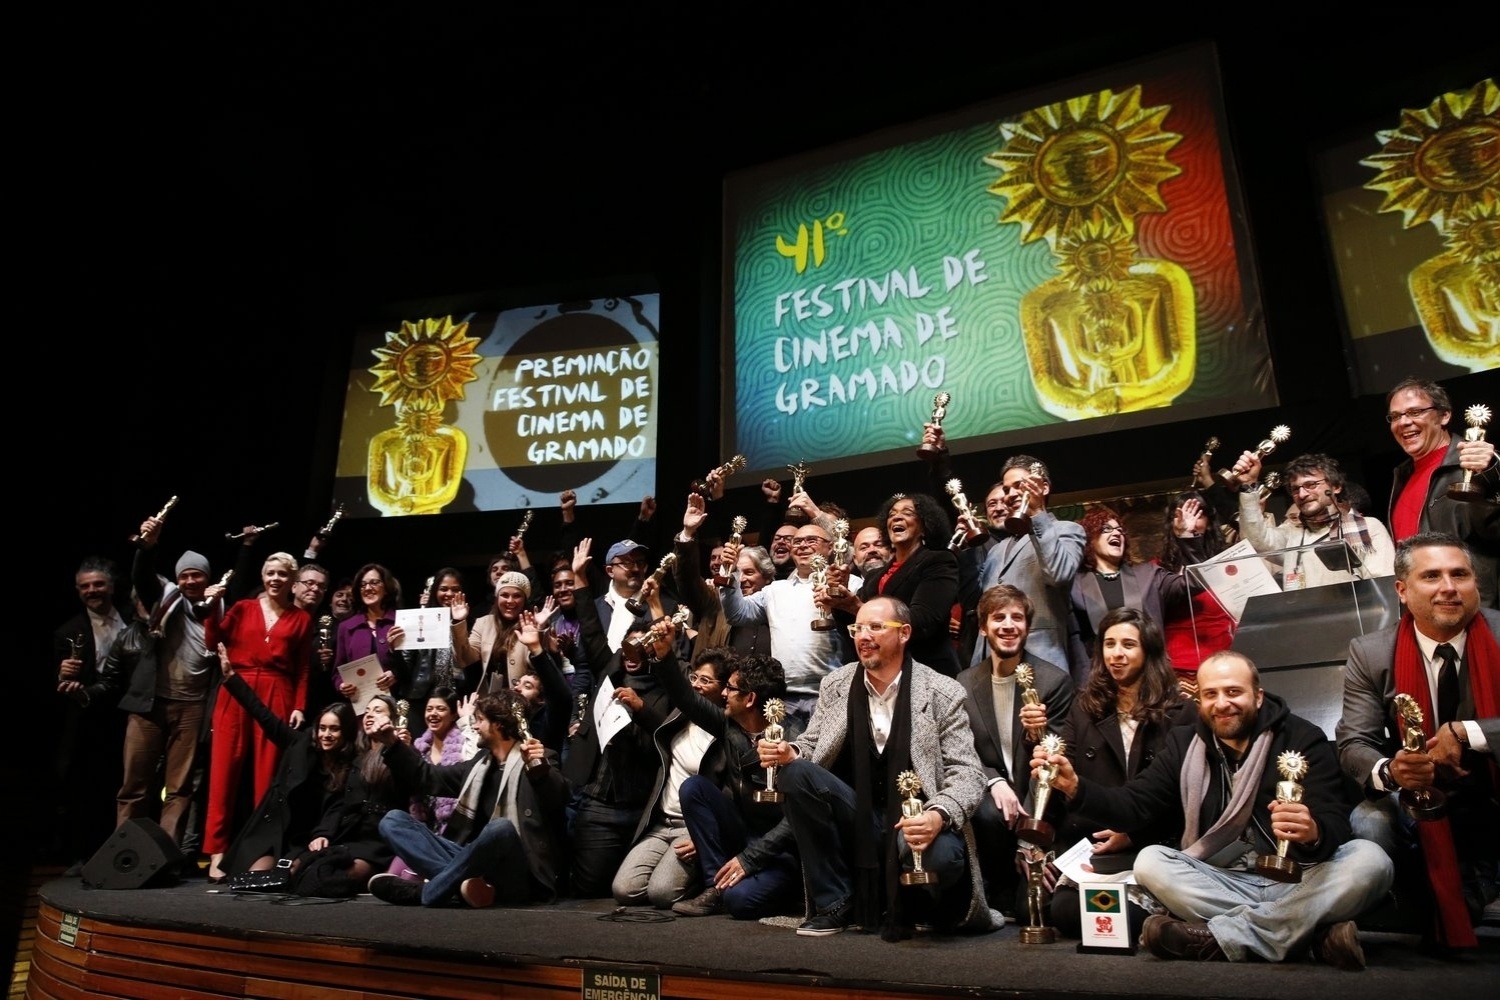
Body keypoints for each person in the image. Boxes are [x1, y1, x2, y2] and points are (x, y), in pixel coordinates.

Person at [1032, 650, 1392, 968]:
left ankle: (1221, 938)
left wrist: (1314, 832)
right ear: (1199, 701)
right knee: (1151, 861)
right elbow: (1134, 805)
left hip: (1297, 879)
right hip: (1220, 879)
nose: (1222, 703)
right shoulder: (1184, 743)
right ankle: (1309, 936)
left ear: (1258, 695)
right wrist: (1074, 787)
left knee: (1370, 860)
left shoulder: (1301, 737)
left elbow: (1334, 819)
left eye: (1234, 692)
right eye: (1211, 695)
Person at [759, 596, 999, 939]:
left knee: (941, 857)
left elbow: (969, 774)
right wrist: (790, 750)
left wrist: (937, 815)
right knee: (797, 773)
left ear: (903, 633)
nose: (862, 636)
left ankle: (924, 906)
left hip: (915, 822)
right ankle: (836, 903)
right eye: (858, 628)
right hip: (859, 818)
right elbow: (813, 743)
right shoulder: (836, 684)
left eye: (875, 627)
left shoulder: (943, 691)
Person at [1335, 531, 1498, 949]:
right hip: (1420, 798)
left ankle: (1452, 897)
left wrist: (1466, 733)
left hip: (1494, 791)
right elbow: (1354, 741)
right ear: (1403, 591)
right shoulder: (1371, 652)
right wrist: (1391, 770)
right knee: (1370, 821)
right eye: (1432, 576)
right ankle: (1439, 897)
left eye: (1459, 574)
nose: (1448, 587)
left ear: (1474, 582)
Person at [1047, 607, 1194, 936]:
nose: (1116, 654)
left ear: (1148, 650)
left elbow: (1182, 799)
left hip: (1155, 844)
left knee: (1124, 916)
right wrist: (1049, 770)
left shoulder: (1181, 713)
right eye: (1109, 644)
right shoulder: (1083, 707)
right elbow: (1068, 787)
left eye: (1128, 644)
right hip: (1097, 844)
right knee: (1064, 911)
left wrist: (1133, 834)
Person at [68, 538, 218, 848]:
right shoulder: (163, 606)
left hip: (191, 707)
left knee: (178, 788)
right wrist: (146, 549)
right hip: (149, 705)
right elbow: (143, 578)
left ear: (207, 578)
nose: (190, 581)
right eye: (184, 575)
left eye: (197, 575)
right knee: (135, 786)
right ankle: (123, 854)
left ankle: (165, 856)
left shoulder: (217, 609)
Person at [368, 688, 569, 907]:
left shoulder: (539, 760)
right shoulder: (479, 765)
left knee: (500, 829)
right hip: (474, 863)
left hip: (521, 872)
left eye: (479, 720)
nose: (473, 726)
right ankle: (465, 889)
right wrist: (392, 743)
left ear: (498, 724)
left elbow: (559, 799)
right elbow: (426, 777)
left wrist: (540, 771)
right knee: (393, 821)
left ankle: (426, 892)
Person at [215, 645, 394, 888]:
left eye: (334, 729)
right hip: (283, 827)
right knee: (254, 879)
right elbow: (264, 717)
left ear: (345, 733)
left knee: (291, 878)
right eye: (323, 728)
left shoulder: (352, 763)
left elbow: (339, 808)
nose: (326, 735)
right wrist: (232, 679)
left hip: (316, 835)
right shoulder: (302, 744)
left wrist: (323, 834)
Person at [955, 584, 1074, 913]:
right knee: (986, 810)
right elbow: (961, 750)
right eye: (998, 617)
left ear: (1027, 626)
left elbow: (1056, 762)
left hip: (1040, 803)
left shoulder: (1053, 682)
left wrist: (1029, 836)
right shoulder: (964, 683)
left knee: (1030, 911)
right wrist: (993, 781)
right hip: (994, 808)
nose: (1008, 625)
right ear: (983, 628)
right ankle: (994, 886)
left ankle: (1019, 882)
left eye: (1017, 617)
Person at [564, 539, 673, 897]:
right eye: (625, 647)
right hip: (603, 804)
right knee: (586, 890)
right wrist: (580, 579)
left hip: (646, 806)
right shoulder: (610, 672)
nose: (630, 653)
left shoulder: (667, 684)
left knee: (630, 889)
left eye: (639, 648)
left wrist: (641, 708)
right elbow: (593, 634)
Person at [202, 551, 313, 881]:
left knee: (267, 780)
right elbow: (213, 641)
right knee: (223, 773)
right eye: (270, 573)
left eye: (282, 573)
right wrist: (210, 610)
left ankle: (258, 851)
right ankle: (216, 850)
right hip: (235, 690)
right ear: (263, 577)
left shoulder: (301, 619)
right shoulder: (242, 608)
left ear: (292, 581)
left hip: (277, 693)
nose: (275, 578)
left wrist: (299, 705)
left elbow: (304, 667)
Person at [666, 651, 802, 919]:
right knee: (694, 787)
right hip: (743, 834)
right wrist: (663, 656)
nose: (723, 694)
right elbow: (686, 698)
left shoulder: (796, 740)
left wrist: (750, 859)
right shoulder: (730, 725)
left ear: (750, 699)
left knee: (739, 902)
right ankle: (714, 888)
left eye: (730, 688)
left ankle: (784, 893)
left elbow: (796, 821)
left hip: (783, 850)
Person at [611, 648, 730, 908]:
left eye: (706, 680)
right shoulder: (682, 714)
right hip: (661, 822)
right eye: (694, 678)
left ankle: (700, 878)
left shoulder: (725, 730)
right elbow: (662, 731)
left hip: (691, 828)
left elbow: (729, 797)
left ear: (724, 689)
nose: (697, 686)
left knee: (662, 894)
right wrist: (641, 708)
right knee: (624, 889)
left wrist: (706, 838)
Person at [720, 521, 862, 731]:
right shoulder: (775, 590)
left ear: (831, 547)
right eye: (797, 541)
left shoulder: (851, 583)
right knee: (786, 760)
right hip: (783, 697)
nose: (803, 545)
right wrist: (729, 573)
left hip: (833, 693)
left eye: (811, 540)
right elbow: (737, 614)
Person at [954, 453, 1087, 673]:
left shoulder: (1068, 530)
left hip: (1040, 663)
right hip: (988, 664)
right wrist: (969, 548)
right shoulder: (997, 549)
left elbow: (1058, 575)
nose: (1011, 494)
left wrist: (1037, 513)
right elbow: (973, 602)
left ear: (1043, 488)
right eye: (1006, 489)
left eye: (1019, 485)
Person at [1384, 377, 1499, 607]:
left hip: (1474, 612)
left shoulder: (1473, 464)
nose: (1404, 422)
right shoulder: (1402, 476)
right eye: (1395, 416)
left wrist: (1494, 470)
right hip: (1426, 617)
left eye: (1415, 412)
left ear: (1444, 415)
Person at [50, 556, 130, 868]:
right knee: (86, 787)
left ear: (111, 586)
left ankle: (123, 852)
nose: (92, 590)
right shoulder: (68, 631)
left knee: (125, 784)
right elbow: (56, 684)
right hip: (88, 720)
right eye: (85, 586)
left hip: (129, 711)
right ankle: (84, 854)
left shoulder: (132, 616)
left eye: (98, 584)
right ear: (77, 590)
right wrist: (61, 672)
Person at [826, 493, 960, 677]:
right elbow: (852, 626)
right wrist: (840, 598)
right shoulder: (875, 576)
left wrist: (858, 607)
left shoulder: (939, 561)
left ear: (925, 526)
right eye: (892, 514)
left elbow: (922, 623)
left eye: (907, 513)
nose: (897, 517)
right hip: (883, 673)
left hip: (926, 671)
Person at [1228, 452, 1396, 588]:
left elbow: (1383, 586)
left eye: (1311, 485)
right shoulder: (1291, 534)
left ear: (1336, 487)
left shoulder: (1368, 528)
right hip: (1305, 625)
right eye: (1295, 489)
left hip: (1358, 625)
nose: (1302, 494)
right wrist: (1248, 486)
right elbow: (1255, 540)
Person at [1067, 507, 1188, 682]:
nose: (1116, 533)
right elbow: (1075, 644)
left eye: (1120, 530)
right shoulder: (1074, 586)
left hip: (1150, 677)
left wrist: (1186, 537)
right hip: (1100, 681)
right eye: (1106, 529)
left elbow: (1192, 583)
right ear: (1089, 540)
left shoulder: (1148, 574)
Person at [1157, 491, 1235, 693]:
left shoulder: (1227, 561)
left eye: (1197, 514)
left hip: (1225, 662)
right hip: (1178, 668)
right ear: (1171, 524)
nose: (1190, 522)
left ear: (1209, 522)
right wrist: (1187, 538)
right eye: (1181, 515)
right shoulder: (1158, 569)